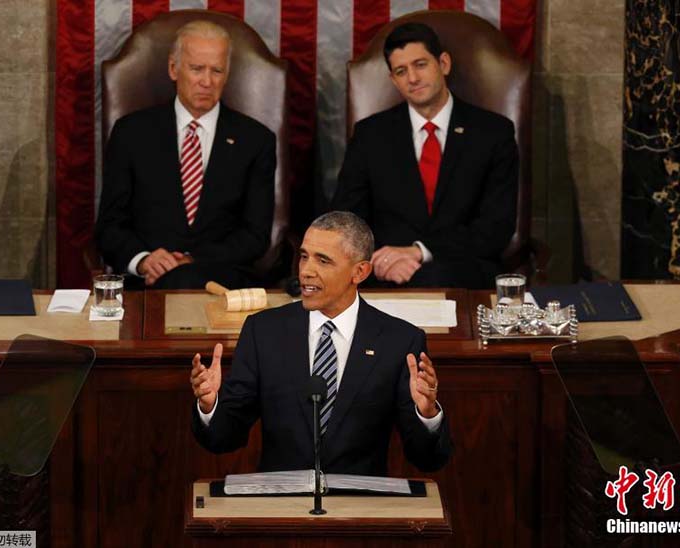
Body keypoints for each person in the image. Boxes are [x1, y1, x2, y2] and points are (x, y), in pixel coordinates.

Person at [189, 211, 452, 475]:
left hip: (361, 506)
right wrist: (210, 406)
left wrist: (427, 414)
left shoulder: (400, 341)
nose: (306, 271)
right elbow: (224, 438)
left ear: (359, 272)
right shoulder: (264, 331)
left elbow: (427, 459)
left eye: (323, 261)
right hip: (282, 505)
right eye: (304, 257)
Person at [331, 22, 518, 289]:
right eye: (401, 71)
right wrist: (381, 261)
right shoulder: (370, 135)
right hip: (385, 275)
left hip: (463, 273)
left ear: (443, 64)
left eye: (420, 65)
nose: (413, 78)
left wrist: (419, 251)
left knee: (435, 277)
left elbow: (495, 227)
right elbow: (348, 219)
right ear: (393, 80)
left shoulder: (492, 133)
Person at [95, 20, 276, 289]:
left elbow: (254, 236)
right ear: (173, 68)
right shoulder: (131, 133)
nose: (206, 81)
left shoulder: (256, 140)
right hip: (146, 286)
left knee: (184, 279)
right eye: (196, 69)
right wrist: (144, 261)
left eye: (216, 70)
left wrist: (190, 261)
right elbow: (110, 227)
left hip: (221, 283)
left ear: (227, 75)